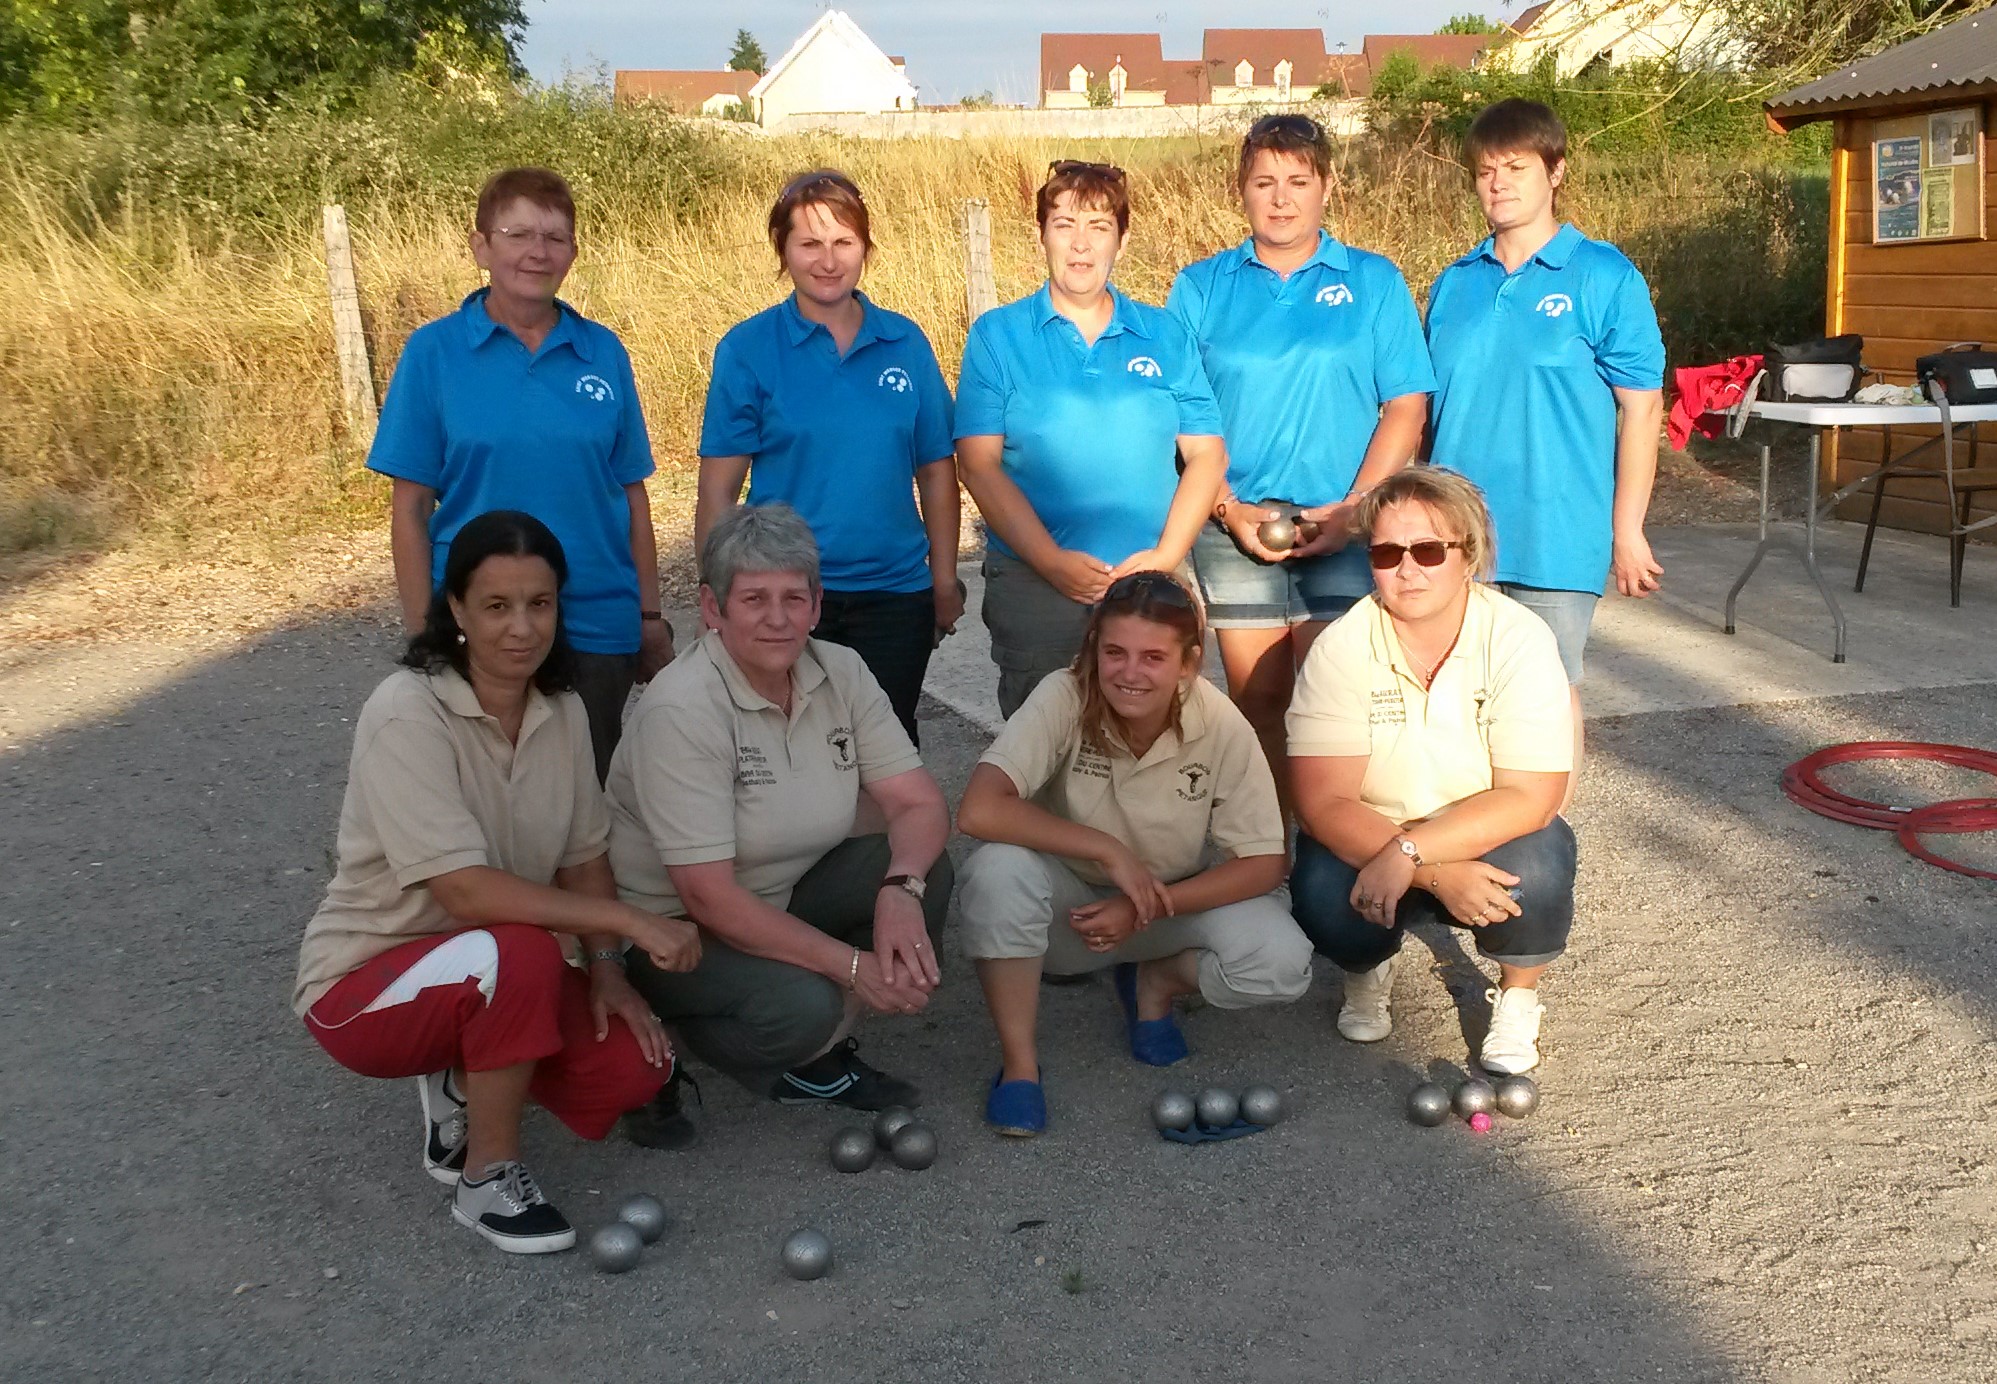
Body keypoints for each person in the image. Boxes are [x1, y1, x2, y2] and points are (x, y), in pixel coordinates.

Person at [294, 511, 702, 1254]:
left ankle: (461, 1075)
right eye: (495, 606)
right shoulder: (404, 711)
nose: (521, 628)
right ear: (454, 610)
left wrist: (609, 970)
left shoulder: (564, 707)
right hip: (362, 987)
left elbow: (584, 854)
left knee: (630, 1069)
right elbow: (465, 896)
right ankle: (486, 1178)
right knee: (520, 951)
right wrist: (638, 926)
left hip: (489, 967)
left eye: (538, 604)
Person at [606, 504, 953, 1149]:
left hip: (783, 888)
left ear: (818, 605)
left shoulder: (840, 670)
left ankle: (815, 1048)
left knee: (920, 866)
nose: (777, 618)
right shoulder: (681, 710)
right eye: (754, 598)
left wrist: (901, 890)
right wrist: (853, 968)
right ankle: (669, 1040)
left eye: (795, 597)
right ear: (712, 609)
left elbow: (920, 804)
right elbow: (706, 896)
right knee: (803, 1007)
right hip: (674, 930)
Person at [956, 571, 1311, 1137]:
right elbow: (978, 809)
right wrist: (1107, 850)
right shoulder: (1064, 693)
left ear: (1189, 663)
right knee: (996, 873)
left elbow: (1265, 862)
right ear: (1093, 649)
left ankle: (1157, 981)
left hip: (1164, 904)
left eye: (1153, 657)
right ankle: (1020, 1067)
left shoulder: (1219, 722)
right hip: (1068, 914)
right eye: (1114, 651)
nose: (1129, 672)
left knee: (1281, 963)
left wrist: (1150, 903)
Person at [369, 166, 674, 781]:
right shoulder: (434, 353)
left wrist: (648, 617)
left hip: (593, 621)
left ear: (573, 253)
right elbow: (410, 508)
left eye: (555, 237)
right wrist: (422, 627)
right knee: (485, 799)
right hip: (479, 624)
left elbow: (631, 496)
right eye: (518, 233)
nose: (538, 251)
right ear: (482, 246)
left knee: (585, 808)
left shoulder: (603, 352)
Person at [1168, 113, 1434, 812]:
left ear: (1325, 187)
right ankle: (1268, 855)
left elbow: (1405, 405)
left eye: (1296, 181)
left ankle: (1339, 853)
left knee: (1337, 704)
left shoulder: (1372, 282)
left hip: (1342, 528)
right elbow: (1179, 414)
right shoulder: (1199, 287)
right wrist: (1226, 508)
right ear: (1240, 190)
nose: (1280, 199)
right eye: (1263, 182)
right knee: (1258, 703)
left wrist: (1354, 509)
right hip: (1237, 527)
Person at [1287, 468, 1576, 1077]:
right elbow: (1322, 802)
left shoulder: (1519, 637)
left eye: (1427, 550)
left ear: (1467, 556)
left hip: (1484, 829)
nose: (1406, 569)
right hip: (1375, 829)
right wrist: (1434, 873)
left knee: (1542, 864)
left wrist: (1411, 853)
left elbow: (1532, 797)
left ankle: (1519, 995)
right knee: (1320, 893)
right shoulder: (1341, 646)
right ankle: (1367, 965)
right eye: (1387, 552)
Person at [1424, 99, 1667, 801]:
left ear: (1554, 170)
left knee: (1544, 697)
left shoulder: (1602, 276)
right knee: (1457, 698)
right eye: (1485, 170)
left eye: (1516, 167)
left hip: (1558, 528)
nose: (1498, 182)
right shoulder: (1454, 283)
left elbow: (1642, 407)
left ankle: (1539, 850)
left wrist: (1626, 530)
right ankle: (1459, 849)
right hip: (1457, 536)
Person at [955, 160, 1229, 718]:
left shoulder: (1166, 334)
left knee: (1152, 753)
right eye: (1064, 224)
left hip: (1149, 587)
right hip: (1037, 589)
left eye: (1099, 227)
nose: (1081, 245)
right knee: (1044, 753)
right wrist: (1052, 561)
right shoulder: (998, 337)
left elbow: (1206, 454)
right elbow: (978, 465)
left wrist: (1165, 558)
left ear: (1121, 241)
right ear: (1042, 235)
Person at [697, 169, 962, 743]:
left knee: (885, 746)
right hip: (783, 593)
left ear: (865, 247)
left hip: (893, 595)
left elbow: (937, 471)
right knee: (788, 742)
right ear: (783, 250)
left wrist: (943, 578)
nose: (827, 260)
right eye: (809, 244)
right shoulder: (748, 350)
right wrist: (717, 592)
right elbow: (718, 490)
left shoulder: (904, 342)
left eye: (844, 242)